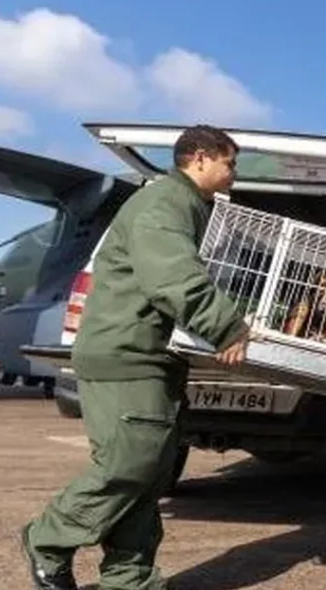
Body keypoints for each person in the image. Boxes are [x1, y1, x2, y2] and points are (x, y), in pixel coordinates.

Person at [20, 125, 254, 590]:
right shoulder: (165, 203)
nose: (234, 174)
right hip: (126, 356)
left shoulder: (191, 206)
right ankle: (48, 538)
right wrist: (225, 325)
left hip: (152, 358)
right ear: (200, 158)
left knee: (148, 475)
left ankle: (130, 577)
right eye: (230, 163)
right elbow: (173, 275)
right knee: (129, 466)